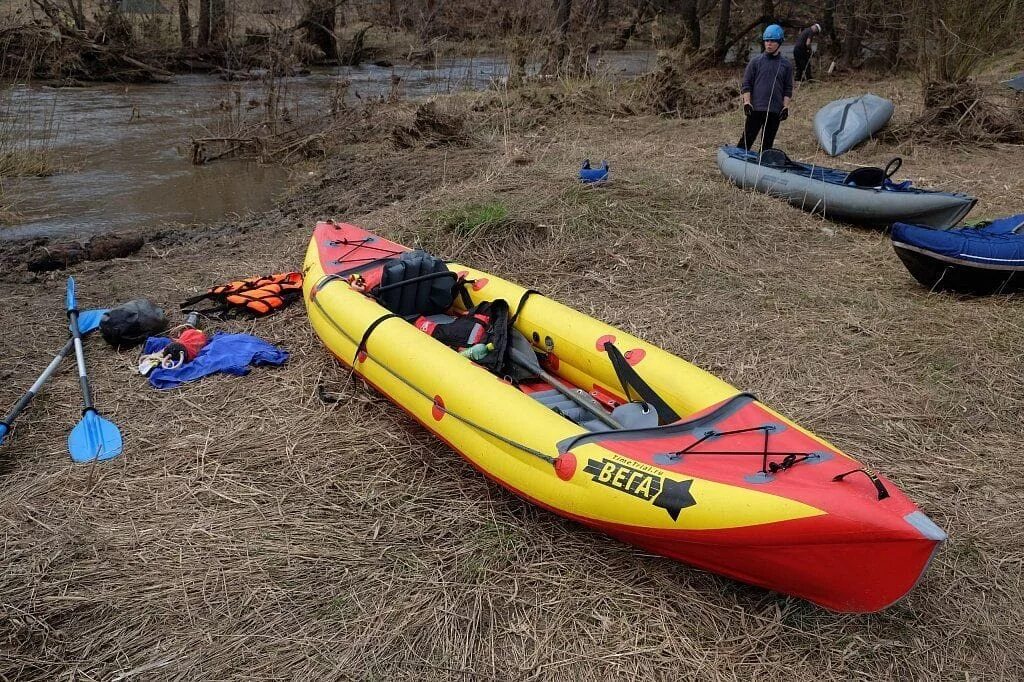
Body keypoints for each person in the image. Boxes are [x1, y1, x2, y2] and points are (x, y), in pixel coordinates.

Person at [738, 24, 794, 152]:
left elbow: (788, 88)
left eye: (773, 41)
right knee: (746, 141)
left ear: (779, 42)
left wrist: (785, 107)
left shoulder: (786, 65)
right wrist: (747, 102)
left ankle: (761, 168)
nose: (769, 44)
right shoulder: (755, 62)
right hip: (755, 109)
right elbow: (746, 84)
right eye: (767, 40)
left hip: (774, 111)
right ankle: (736, 165)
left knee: (767, 146)